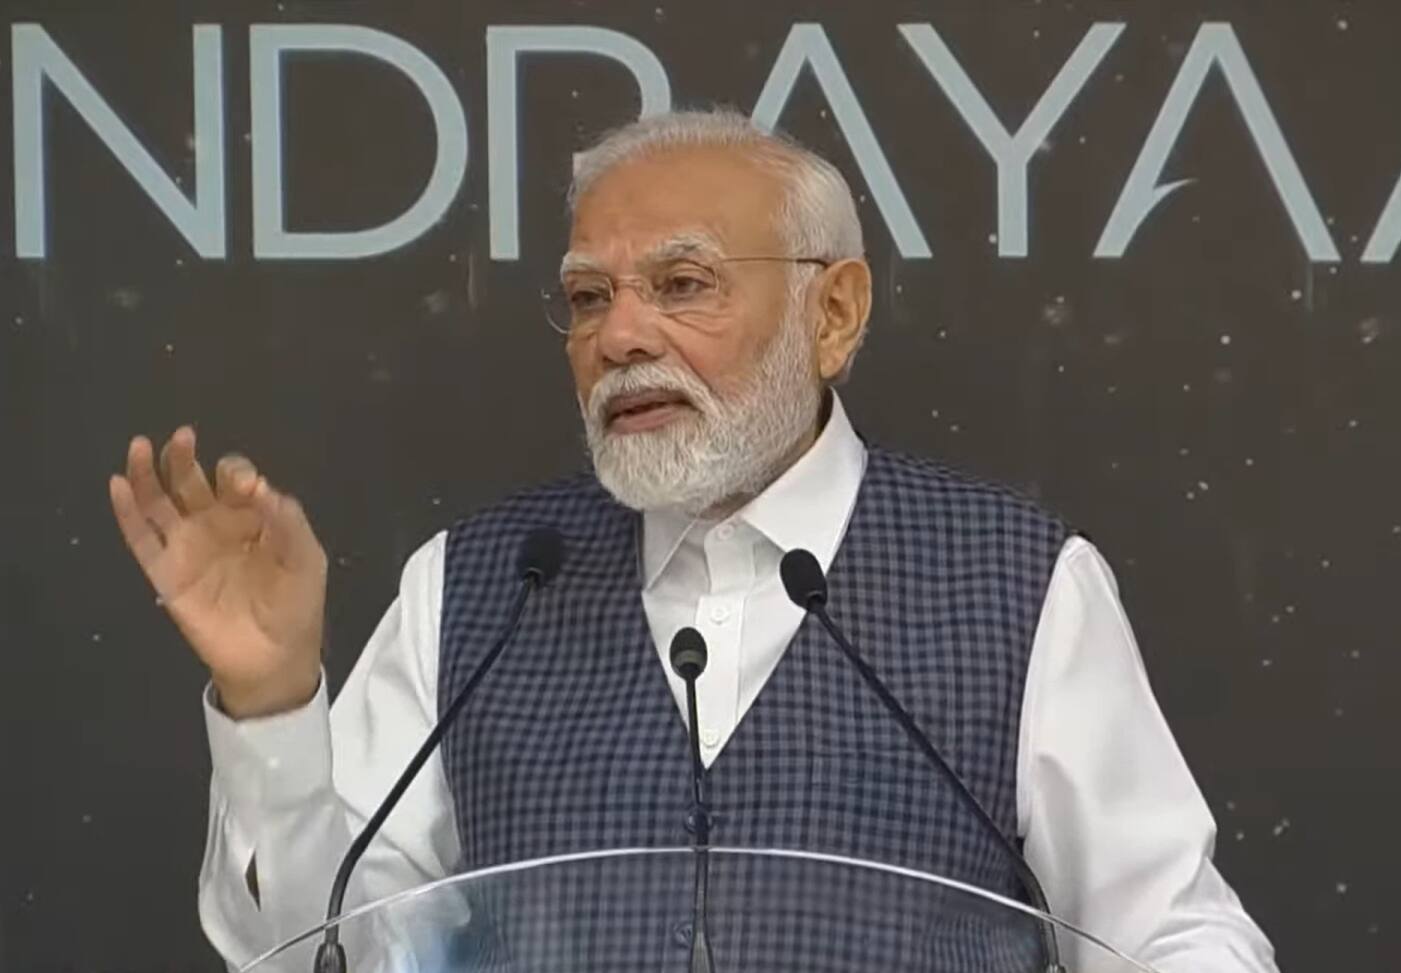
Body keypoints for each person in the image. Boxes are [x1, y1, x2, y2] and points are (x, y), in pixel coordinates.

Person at [109, 110, 1278, 972]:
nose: (621, 336)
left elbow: (1174, 934)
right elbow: (323, 952)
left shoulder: (1017, 581)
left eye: (682, 283)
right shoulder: (479, 582)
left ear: (834, 313)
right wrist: (270, 702)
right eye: (587, 297)